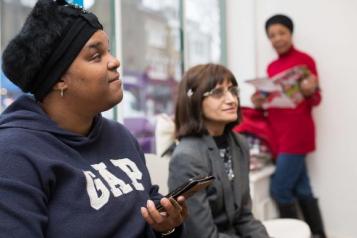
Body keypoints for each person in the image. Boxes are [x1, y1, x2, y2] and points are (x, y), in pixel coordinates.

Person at [0, 1, 187, 237]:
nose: (115, 61)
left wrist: (166, 225)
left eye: (109, 50)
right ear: (59, 79)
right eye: (96, 55)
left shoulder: (120, 137)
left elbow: (149, 206)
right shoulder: (13, 155)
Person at [168, 63, 269, 238]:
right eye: (217, 93)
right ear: (195, 101)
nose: (232, 100)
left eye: (233, 91)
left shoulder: (239, 143)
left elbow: (244, 217)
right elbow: (202, 235)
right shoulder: (187, 157)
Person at [251, 14, 326, 238]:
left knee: (279, 189)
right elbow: (272, 104)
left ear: (290, 33)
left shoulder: (306, 60)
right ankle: (319, 234)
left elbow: (316, 100)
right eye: (272, 35)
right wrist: (259, 102)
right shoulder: (271, 66)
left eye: (281, 33)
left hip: (297, 134)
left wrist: (310, 91)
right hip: (278, 135)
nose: (277, 39)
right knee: (302, 188)